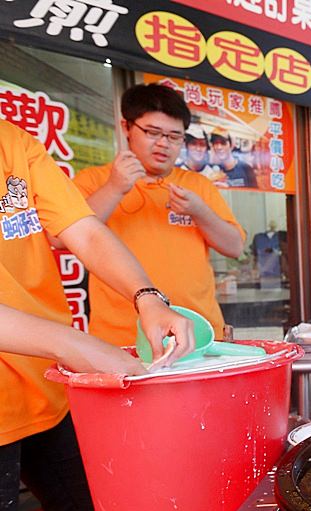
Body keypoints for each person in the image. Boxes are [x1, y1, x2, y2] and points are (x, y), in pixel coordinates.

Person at [0, 119, 194, 511]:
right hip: (43, 368)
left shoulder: (13, 142)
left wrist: (148, 297)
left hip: (43, 384)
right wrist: (74, 345)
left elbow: (81, 228)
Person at [73, 84, 246, 345]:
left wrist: (199, 212)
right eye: (153, 132)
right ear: (126, 127)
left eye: (175, 136)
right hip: (121, 337)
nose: (164, 144)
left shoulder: (198, 185)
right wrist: (115, 188)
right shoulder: (94, 180)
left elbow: (234, 247)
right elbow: (62, 238)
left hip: (199, 332)